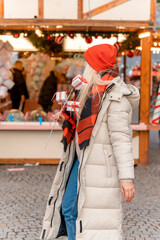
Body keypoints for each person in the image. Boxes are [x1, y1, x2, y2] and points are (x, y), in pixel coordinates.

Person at [40, 44, 140, 240]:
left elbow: (122, 139)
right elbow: (84, 129)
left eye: (88, 62)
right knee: (68, 208)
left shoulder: (116, 96)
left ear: (95, 65)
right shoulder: (90, 91)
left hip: (100, 166)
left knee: (86, 217)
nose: (85, 66)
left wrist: (127, 178)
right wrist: (65, 121)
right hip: (80, 158)